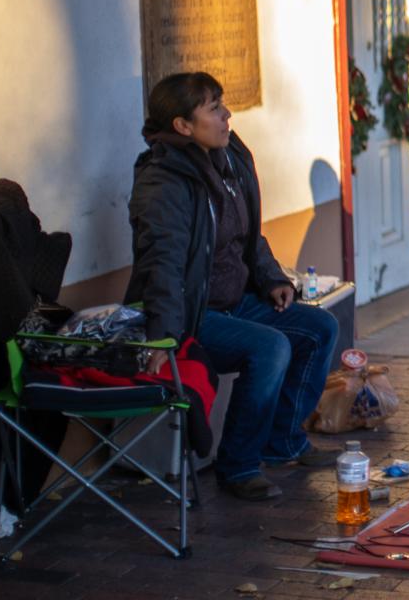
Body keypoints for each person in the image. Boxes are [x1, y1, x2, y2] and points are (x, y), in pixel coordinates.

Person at [126, 72, 339, 501]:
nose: (227, 116)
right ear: (184, 125)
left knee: (319, 328)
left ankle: (283, 442)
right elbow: (162, 264)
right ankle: (238, 466)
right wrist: (163, 335)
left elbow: (247, 232)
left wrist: (271, 277)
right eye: (214, 109)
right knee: (270, 347)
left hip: (235, 301)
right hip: (193, 314)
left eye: (222, 104)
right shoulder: (163, 181)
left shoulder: (229, 157)